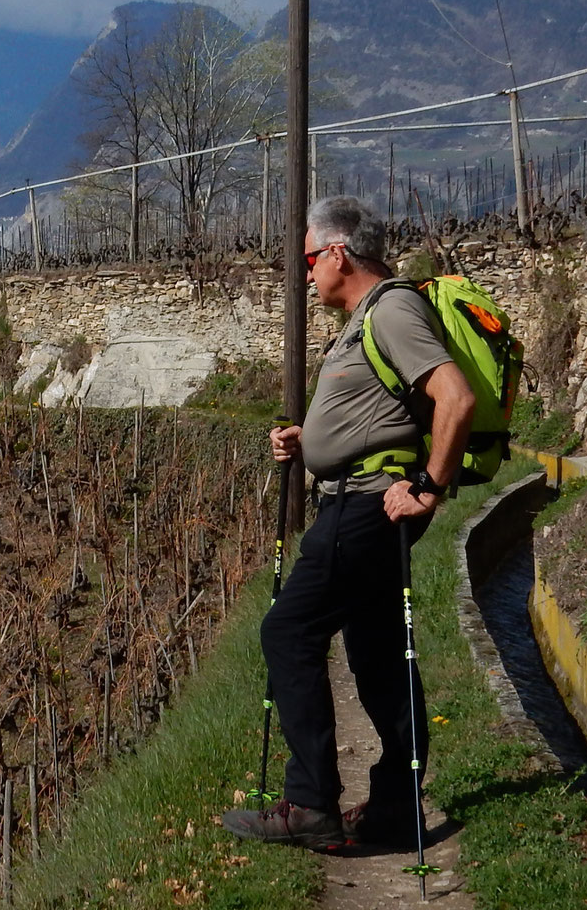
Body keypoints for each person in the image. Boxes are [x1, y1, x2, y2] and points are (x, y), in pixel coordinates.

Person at [223, 195, 475, 850]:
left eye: (309, 260)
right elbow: (370, 418)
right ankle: (393, 807)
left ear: (337, 252)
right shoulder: (365, 317)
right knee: (377, 652)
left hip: (368, 505)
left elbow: (456, 396)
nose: (306, 274)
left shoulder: (391, 308)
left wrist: (428, 487)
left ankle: (310, 804)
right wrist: (308, 442)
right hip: (355, 495)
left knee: (289, 630)